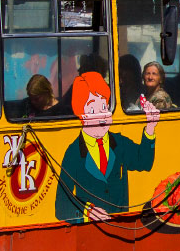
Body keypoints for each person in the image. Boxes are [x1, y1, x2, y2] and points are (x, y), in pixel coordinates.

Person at [54, 71, 159, 224]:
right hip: (89, 232)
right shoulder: (73, 153)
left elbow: (144, 162)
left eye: (104, 106)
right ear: (81, 115)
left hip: (122, 228)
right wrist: (87, 211)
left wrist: (150, 127)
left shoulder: (119, 142)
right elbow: (61, 205)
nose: (102, 114)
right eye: (93, 110)